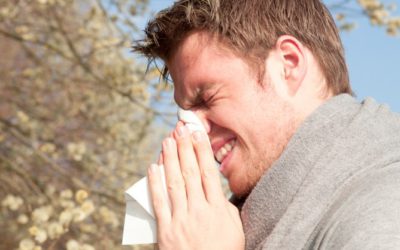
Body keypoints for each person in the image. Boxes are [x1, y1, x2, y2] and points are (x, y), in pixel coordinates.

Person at [133, 0, 400, 249]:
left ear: (288, 65)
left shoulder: (382, 214)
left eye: (207, 97)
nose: (192, 131)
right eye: (186, 113)